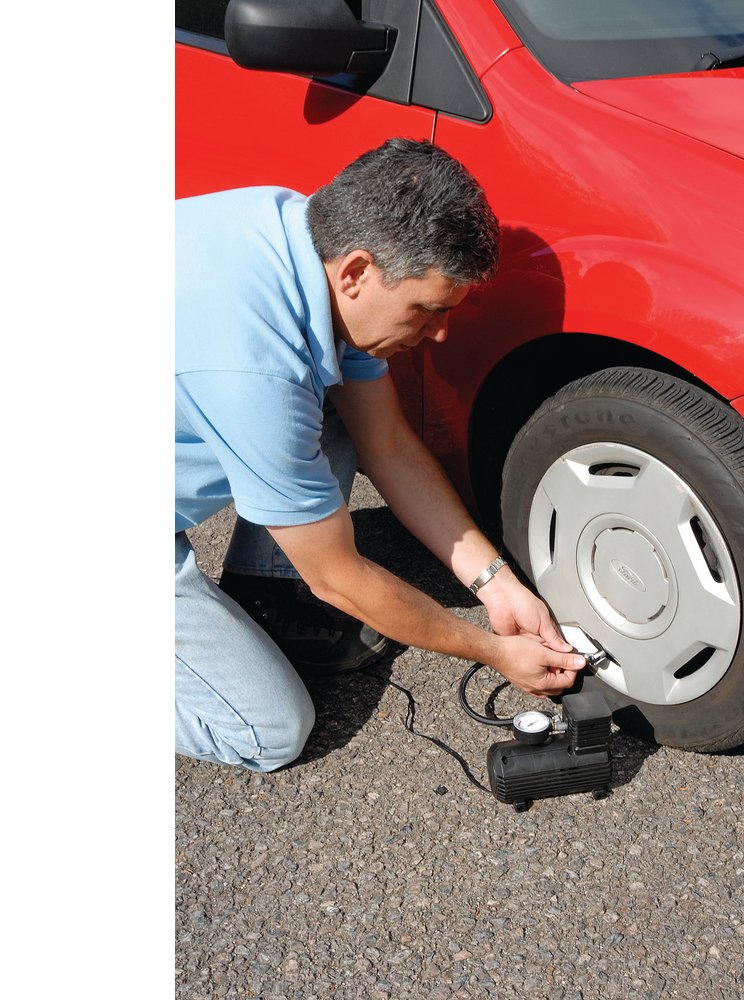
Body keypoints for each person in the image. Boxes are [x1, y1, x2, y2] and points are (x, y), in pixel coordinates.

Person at [176, 138, 586, 771]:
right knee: (268, 730)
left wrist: (498, 586)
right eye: (426, 310)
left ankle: (264, 593)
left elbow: (387, 445)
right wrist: (494, 652)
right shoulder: (255, 371)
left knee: (339, 405)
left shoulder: (299, 238)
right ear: (357, 272)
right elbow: (335, 575)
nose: (439, 332)